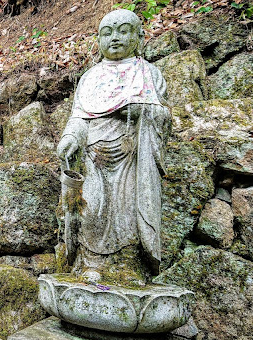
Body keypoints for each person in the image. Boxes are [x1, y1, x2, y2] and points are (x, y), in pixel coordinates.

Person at [56, 9, 171, 285]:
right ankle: (91, 263)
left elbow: (164, 116)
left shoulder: (148, 74)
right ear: (98, 40)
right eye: (107, 33)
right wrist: (70, 137)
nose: (115, 38)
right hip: (94, 157)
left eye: (123, 31)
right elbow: (80, 117)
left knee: (127, 212)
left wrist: (142, 110)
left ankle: (127, 265)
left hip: (132, 156)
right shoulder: (90, 77)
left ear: (139, 37)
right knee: (92, 208)